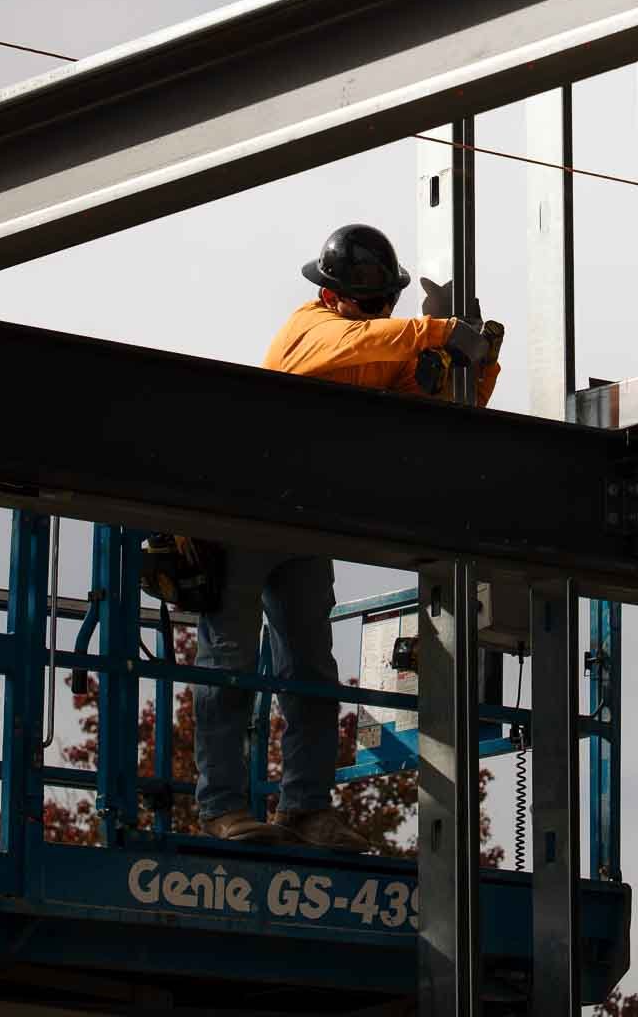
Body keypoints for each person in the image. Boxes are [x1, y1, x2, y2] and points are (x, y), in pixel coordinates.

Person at [195, 223, 502, 846]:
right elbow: (355, 344)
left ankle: (306, 807)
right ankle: (222, 806)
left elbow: (434, 406)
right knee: (229, 665)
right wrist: (439, 330)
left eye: (388, 302)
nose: (381, 313)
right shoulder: (310, 330)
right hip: (241, 515)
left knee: (311, 673)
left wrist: (476, 361)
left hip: (308, 523)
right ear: (333, 295)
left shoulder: (371, 346)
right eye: (372, 304)